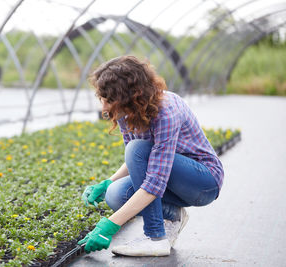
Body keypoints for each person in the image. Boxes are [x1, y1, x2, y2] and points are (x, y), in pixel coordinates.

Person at [78, 55, 224, 256]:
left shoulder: (166, 111)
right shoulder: (125, 111)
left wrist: (110, 226)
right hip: (170, 179)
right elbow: (135, 161)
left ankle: (155, 238)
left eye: (110, 100)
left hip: (202, 182)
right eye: (102, 99)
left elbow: (153, 180)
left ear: (130, 96)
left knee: (137, 149)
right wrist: (106, 183)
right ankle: (172, 216)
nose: (104, 108)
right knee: (115, 193)